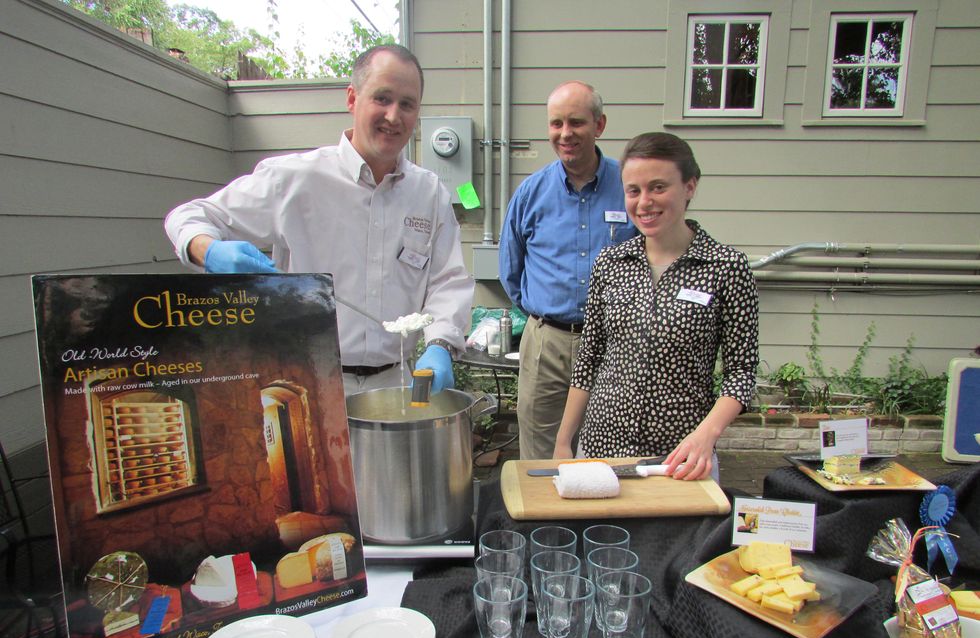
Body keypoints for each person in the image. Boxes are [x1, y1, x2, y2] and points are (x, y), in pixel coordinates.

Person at [164, 44, 474, 396]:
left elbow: (447, 281)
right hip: (305, 383)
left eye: (407, 104)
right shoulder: (294, 179)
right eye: (382, 98)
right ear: (353, 99)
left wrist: (441, 344)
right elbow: (189, 216)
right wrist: (209, 250)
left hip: (395, 384)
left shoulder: (429, 193)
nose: (393, 116)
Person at [553, 132, 759, 481]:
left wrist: (705, 435)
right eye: (634, 190)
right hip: (603, 449)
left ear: (690, 186)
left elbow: (741, 373)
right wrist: (562, 442)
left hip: (680, 457)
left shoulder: (726, 267)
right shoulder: (610, 262)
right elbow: (589, 359)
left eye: (658, 187)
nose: (644, 202)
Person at [498, 81, 637, 459]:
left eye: (576, 122)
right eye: (556, 123)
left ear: (599, 125)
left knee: (608, 449)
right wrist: (543, 318)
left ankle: (598, 520)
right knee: (541, 453)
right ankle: (544, 520)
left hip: (615, 344)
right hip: (548, 341)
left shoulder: (629, 187)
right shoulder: (531, 193)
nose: (565, 134)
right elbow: (511, 270)